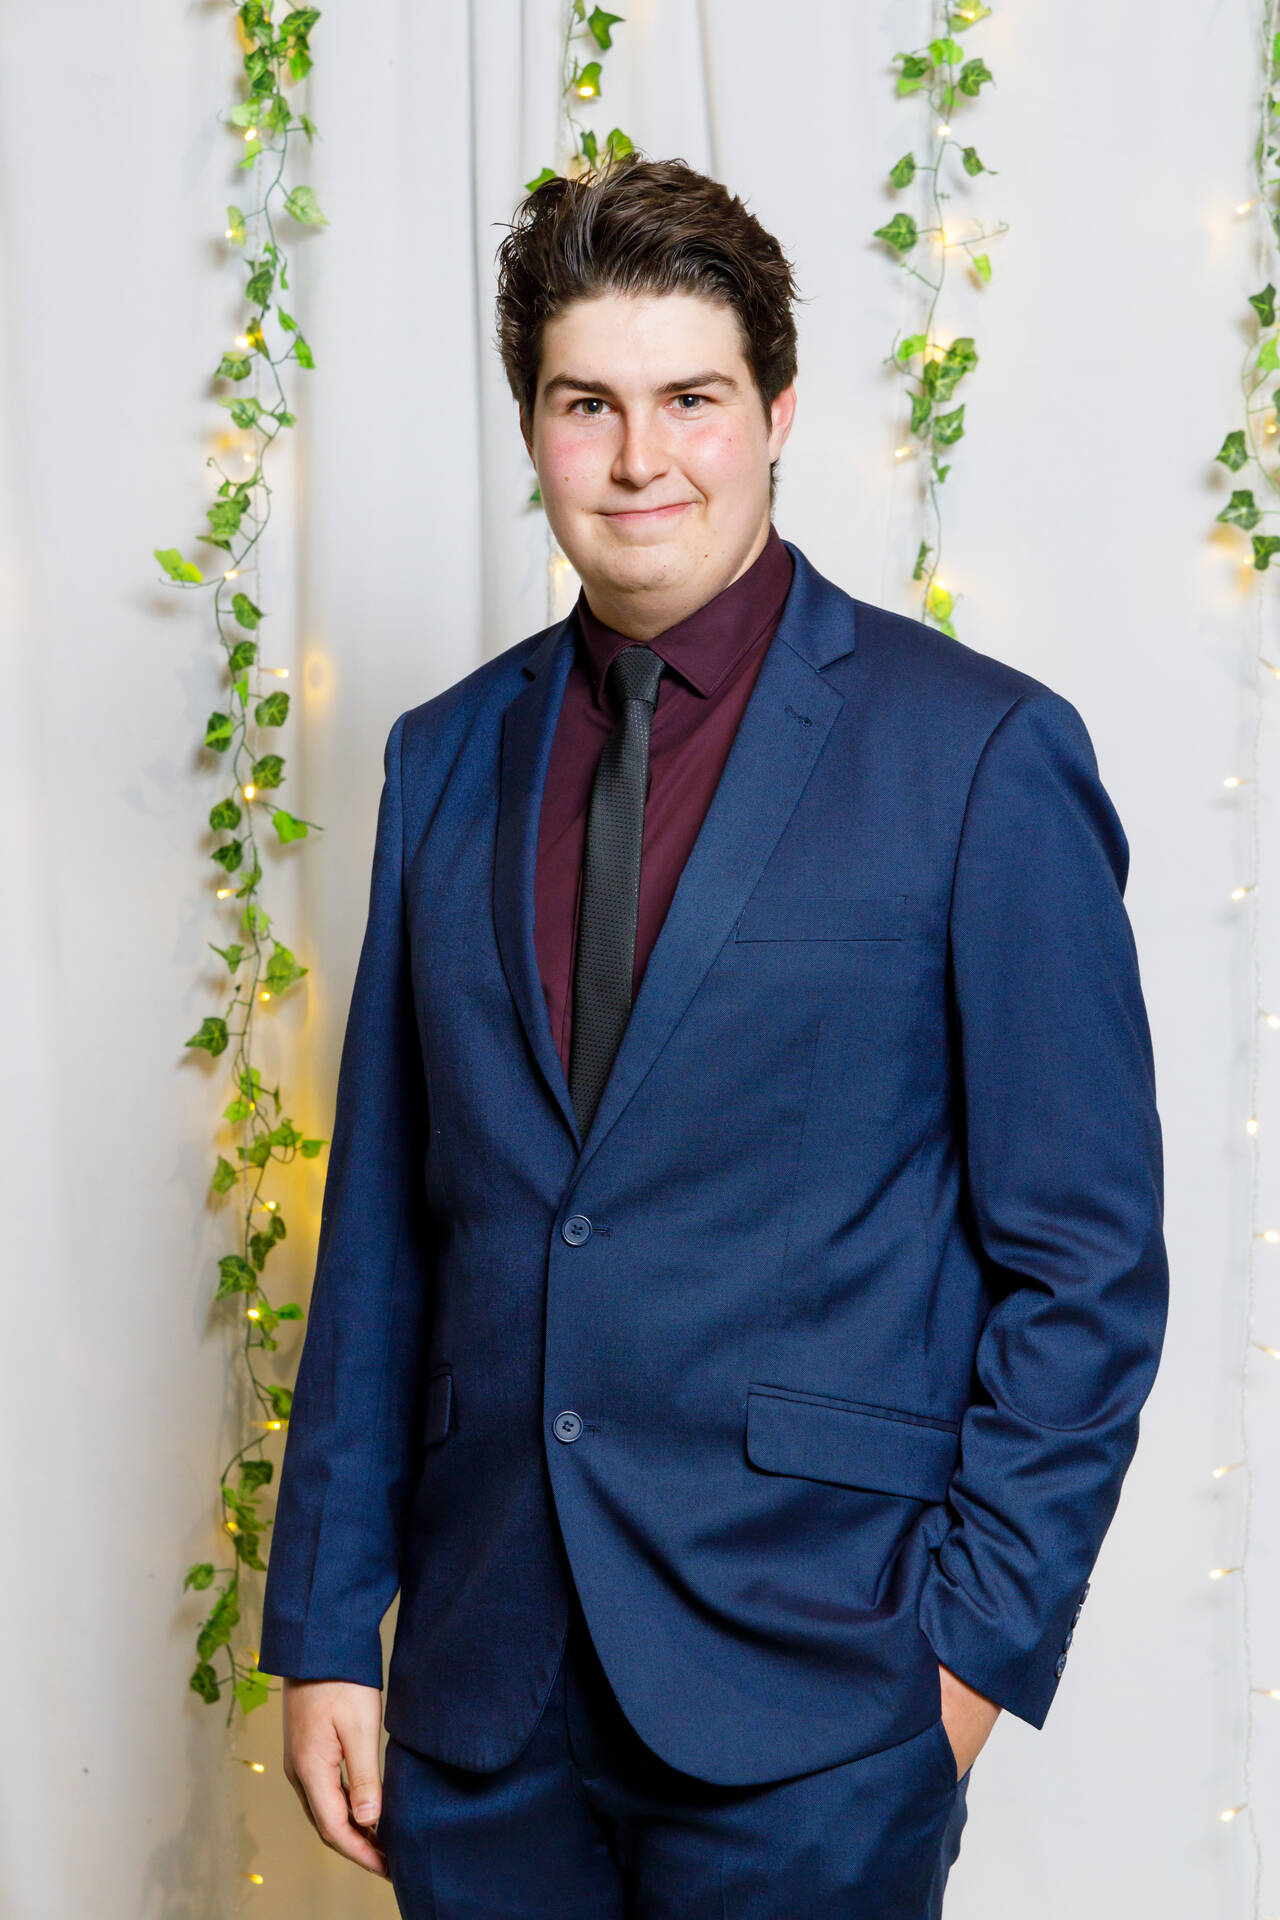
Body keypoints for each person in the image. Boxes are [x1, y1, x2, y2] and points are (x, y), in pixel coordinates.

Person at [256, 153, 1169, 1918]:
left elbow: (1087, 1263)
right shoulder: (442, 758)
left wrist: (961, 1670)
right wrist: (326, 1630)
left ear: (777, 415)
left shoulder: (979, 754)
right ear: (534, 428)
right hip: (481, 1698)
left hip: (821, 1698)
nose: (638, 459)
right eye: (585, 404)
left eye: (691, 400)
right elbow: (380, 1237)